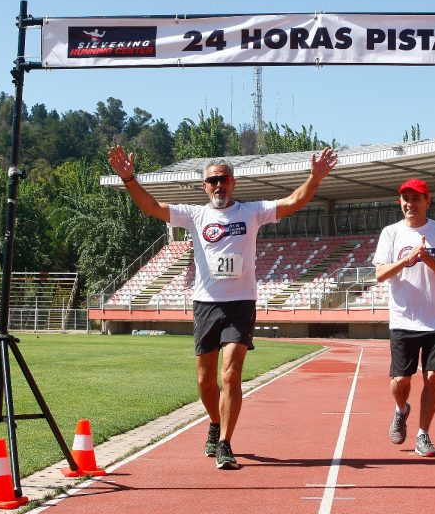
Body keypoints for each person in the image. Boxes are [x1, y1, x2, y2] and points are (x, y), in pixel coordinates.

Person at [108, 145, 337, 469]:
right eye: (212, 180)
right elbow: (152, 207)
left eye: (224, 179)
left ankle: (226, 443)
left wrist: (314, 179)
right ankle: (215, 423)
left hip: (240, 304)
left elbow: (292, 202)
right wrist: (129, 179)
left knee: (231, 375)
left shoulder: (251, 212)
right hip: (205, 304)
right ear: (205, 186)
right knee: (205, 381)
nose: (218, 185)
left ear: (233, 183)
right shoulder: (195, 215)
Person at [374, 179, 435, 457]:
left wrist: (425, 256)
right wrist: (406, 260)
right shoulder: (390, 233)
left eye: (416, 199)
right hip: (403, 320)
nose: (410, 204)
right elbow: (379, 275)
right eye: (405, 199)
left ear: (427, 201)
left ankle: (423, 434)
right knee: (401, 381)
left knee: (432, 377)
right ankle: (401, 409)